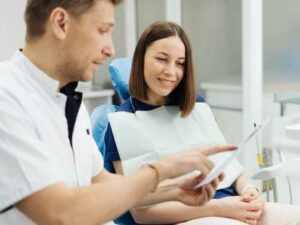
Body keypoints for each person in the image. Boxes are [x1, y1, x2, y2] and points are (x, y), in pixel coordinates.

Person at [0, 1, 238, 225]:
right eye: (103, 30)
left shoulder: (68, 101)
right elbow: (61, 212)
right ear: (61, 23)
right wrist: (161, 170)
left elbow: (103, 184)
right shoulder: (7, 98)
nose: (110, 49)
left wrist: (175, 190)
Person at [102, 21, 300, 225]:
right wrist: (220, 208)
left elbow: (229, 166)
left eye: (180, 63)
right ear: (140, 59)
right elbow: (142, 212)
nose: (171, 71)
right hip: (188, 215)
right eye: (162, 59)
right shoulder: (122, 123)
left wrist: (248, 190)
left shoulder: (197, 106)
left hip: (231, 203)